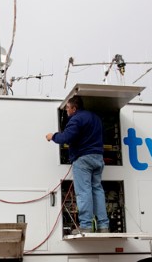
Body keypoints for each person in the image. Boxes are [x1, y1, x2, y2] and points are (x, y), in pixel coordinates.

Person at [46, 96, 110, 234]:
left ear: (74, 108)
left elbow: (66, 138)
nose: (67, 111)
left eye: (68, 108)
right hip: (98, 158)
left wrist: (53, 136)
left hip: (83, 159)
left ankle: (86, 225)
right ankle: (104, 226)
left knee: (84, 192)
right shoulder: (96, 118)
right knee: (97, 190)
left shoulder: (76, 119)